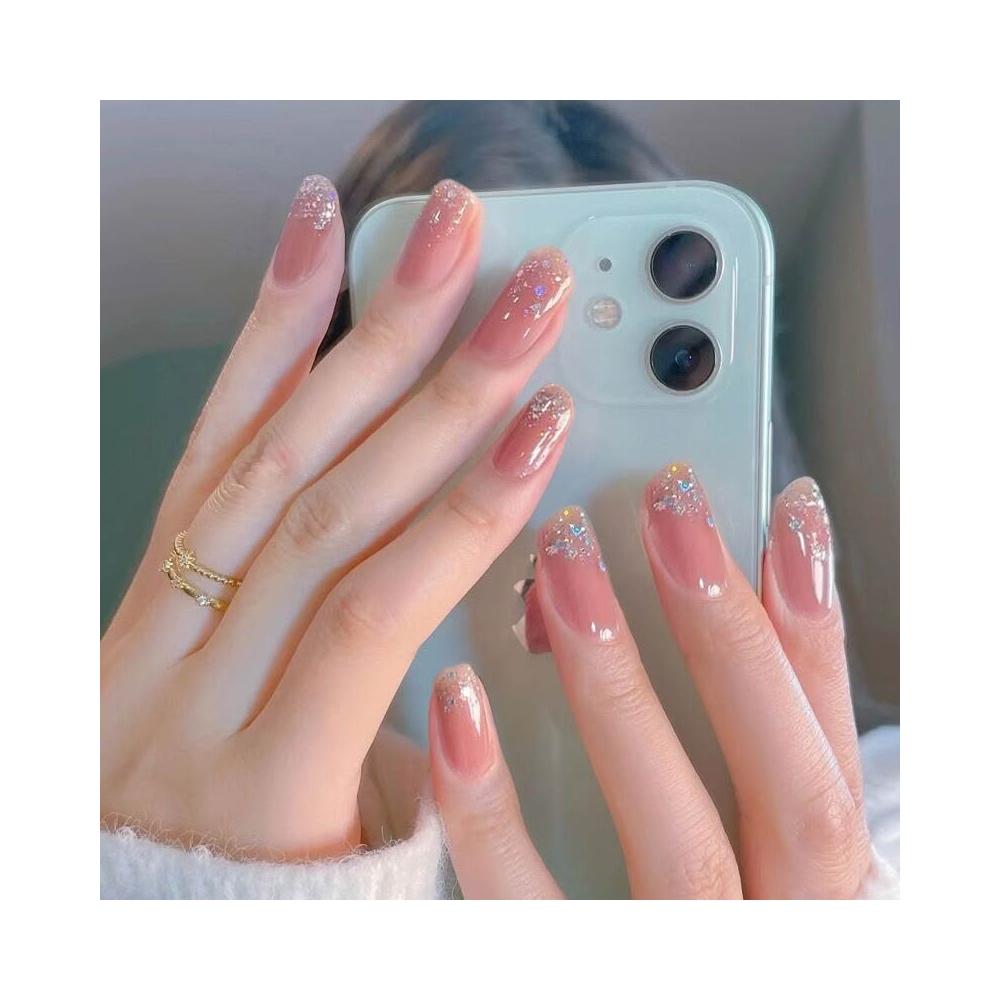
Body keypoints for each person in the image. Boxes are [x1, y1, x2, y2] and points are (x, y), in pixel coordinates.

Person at [101, 101, 899, 898]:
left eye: (682, 361)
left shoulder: (906, 821)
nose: (547, 529)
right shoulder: (155, 795)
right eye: (442, 395)